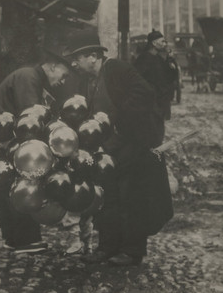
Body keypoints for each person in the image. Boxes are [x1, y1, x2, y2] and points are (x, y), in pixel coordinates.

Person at [62, 29, 173, 266]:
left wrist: (119, 122)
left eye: (77, 58)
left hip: (133, 145)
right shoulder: (87, 81)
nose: (74, 63)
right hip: (109, 150)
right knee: (107, 198)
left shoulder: (117, 69)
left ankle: (132, 251)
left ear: (93, 56)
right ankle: (107, 247)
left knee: (131, 198)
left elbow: (145, 93)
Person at [0, 42, 72, 254]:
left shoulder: (30, 77)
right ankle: (24, 239)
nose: (63, 80)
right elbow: (31, 121)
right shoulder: (28, 77)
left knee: (8, 183)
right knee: (22, 179)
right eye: (63, 74)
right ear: (52, 66)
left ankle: (14, 238)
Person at [134, 29, 177, 121]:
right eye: (162, 41)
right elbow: (137, 80)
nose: (165, 44)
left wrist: (170, 60)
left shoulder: (158, 58)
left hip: (160, 101)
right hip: (150, 102)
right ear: (154, 43)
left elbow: (169, 78)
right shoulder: (144, 59)